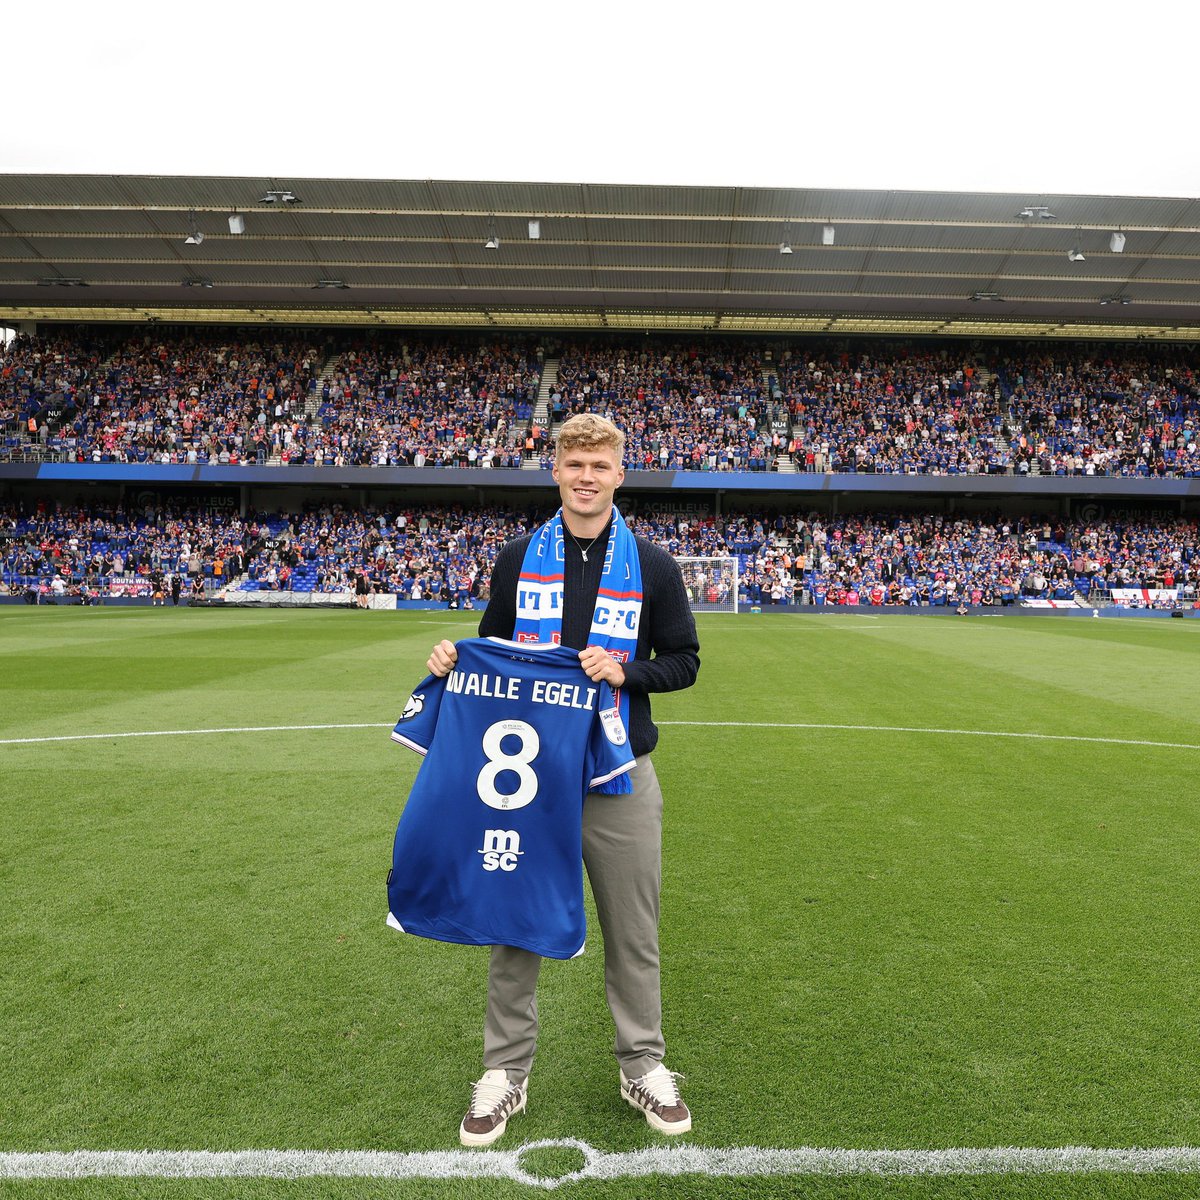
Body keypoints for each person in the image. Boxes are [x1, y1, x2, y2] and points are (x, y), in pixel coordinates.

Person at [426, 413, 700, 1147]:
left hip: (620, 772)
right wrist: (453, 663)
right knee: (513, 928)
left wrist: (626, 670)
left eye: (599, 466)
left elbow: (684, 660)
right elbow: (492, 647)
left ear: (619, 475)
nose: (586, 477)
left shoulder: (654, 565)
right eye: (574, 464)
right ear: (557, 471)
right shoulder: (519, 557)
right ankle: (504, 1073)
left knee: (632, 932)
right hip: (529, 778)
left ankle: (641, 1063)